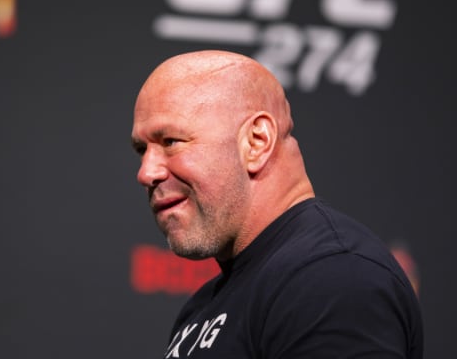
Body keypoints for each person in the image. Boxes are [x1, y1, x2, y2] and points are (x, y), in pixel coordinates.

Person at [131, 50, 423, 358]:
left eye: (170, 142)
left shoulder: (332, 276)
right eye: (141, 149)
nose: (146, 172)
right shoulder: (204, 306)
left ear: (257, 141)